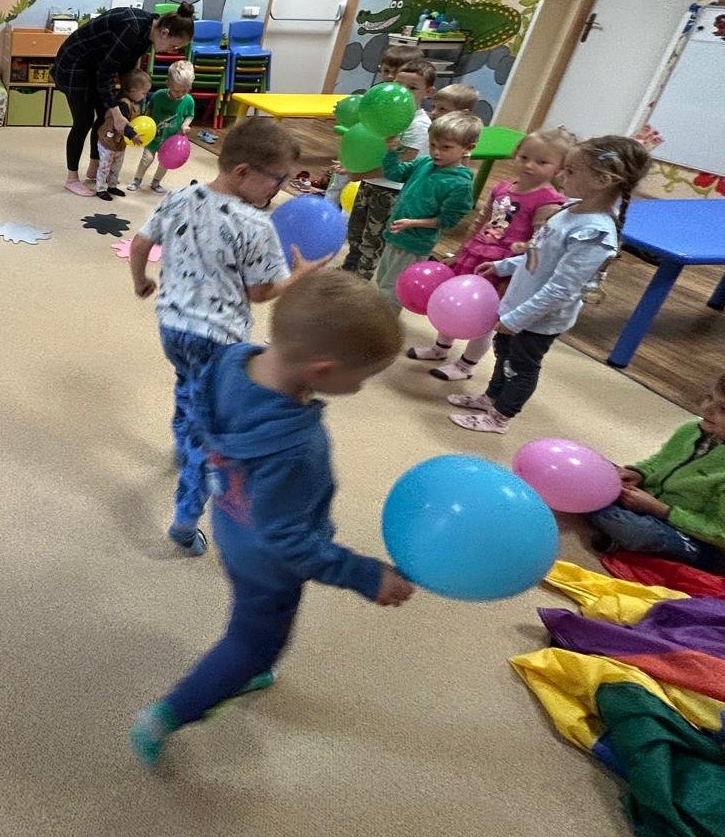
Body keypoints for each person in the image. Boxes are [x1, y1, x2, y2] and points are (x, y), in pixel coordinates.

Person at [128, 271, 413, 766]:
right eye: (361, 378)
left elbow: (199, 413)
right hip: (267, 561)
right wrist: (367, 575)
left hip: (230, 523)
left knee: (250, 616)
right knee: (254, 642)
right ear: (321, 371)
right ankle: (169, 714)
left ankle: (248, 660)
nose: (361, 387)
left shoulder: (232, 360)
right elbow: (289, 541)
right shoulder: (299, 448)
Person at [130, 117, 327, 554]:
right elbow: (260, 293)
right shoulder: (256, 226)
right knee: (210, 435)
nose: (279, 189)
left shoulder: (179, 196)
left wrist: (141, 281)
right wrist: (298, 276)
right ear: (242, 172)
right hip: (219, 341)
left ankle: (182, 442)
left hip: (172, 327)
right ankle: (185, 521)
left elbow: (141, 244)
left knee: (187, 386)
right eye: (277, 180)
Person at [448, 135, 650, 434]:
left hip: (538, 320)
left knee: (520, 367)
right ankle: (491, 398)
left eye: (571, 171)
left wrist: (517, 319)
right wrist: (504, 265)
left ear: (602, 180)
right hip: (519, 303)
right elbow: (539, 254)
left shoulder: (594, 233)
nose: (561, 175)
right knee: (503, 355)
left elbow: (561, 289)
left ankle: (500, 417)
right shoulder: (569, 209)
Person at [408, 128, 572, 380]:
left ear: (559, 168)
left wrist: (516, 265)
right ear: (516, 154)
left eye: (542, 162)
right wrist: (460, 251)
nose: (529, 165)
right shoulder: (502, 187)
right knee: (454, 302)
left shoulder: (549, 201)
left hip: (504, 266)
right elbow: (481, 222)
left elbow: (541, 243)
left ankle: (466, 366)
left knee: (485, 318)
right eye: (524, 157)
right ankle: (440, 348)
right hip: (476, 254)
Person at [586, 374, 725, 571]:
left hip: (696, 539)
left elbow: (719, 533)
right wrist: (639, 473)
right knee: (594, 468)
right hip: (648, 501)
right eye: (709, 397)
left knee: (639, 532)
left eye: (723, 409)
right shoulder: (690, 429)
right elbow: (659, 461)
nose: (707, 408)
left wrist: (661, 510)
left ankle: (597, 510)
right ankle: (608, 520)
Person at [52, 4, 195, 196]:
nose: (172, 51)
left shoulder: (148, 35)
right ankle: (72, 179)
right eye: (174, 46)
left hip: (96, 65)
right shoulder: (132, 28)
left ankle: (94, 167)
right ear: (164, 32)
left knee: (104, 115)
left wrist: (129, 101)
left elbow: (124, 68)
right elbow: (105, 74)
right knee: (83, 121)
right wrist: (118, 114)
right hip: (74, 64)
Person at [371, 111, 482, 306]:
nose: (436, 152)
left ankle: (383, 322)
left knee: (392, 292)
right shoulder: (424, 162)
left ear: (468, 148)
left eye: (446, 147)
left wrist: (413, 223)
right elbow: (395, 174)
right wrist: (392, 152)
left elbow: (448, 221)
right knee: (382, 282)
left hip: (414, 243)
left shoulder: (460, 185)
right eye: (433, 145)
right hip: (395, 235)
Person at [341, 57, 437, 279]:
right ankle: (347, 272)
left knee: (372, 241)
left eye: (412, 88)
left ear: (429, 92)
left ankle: (359, 282)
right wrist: (352, 165)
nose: (403, 92)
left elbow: (404, 163)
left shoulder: (419, 125)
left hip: (391, 191)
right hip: (369, 183)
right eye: (399, 85)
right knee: (355, 233)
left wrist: (360, 173)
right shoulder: (381, 114)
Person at [318, 45, 422, 201]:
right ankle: (329, 206)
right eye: (386, 71)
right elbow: (361, 121)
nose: (390, 77)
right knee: (337, 183)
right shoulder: (377, 95)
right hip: (358, 155)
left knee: (354, 194)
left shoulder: (412, 118)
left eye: (395, 72)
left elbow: (405, 158)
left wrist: (361, 172)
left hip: (378, 169)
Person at [130, 60, 200, 194]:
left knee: (165, 163)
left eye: (185, 91)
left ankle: (156, 182)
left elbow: (190, 115)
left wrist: (185, 125)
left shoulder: (188, 101)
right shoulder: (158, 96)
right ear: (168, 83)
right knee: (146, 159)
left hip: (171, 140)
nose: (180, 94)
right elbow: (148, 110)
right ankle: (137, 180)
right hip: (154, 137)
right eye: (176, 90)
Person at [94, 70, 152, 201]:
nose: (145, 96)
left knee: (117, 166)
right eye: (144, 93)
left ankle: (112, 185)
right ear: (133, 90)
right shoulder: (123, 104)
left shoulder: (134, 103)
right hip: (109, 141)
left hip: (120, 143)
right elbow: (122, 124)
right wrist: (133, 135)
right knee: (105, 166)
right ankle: (100, 189)